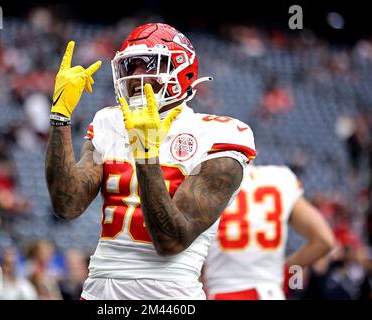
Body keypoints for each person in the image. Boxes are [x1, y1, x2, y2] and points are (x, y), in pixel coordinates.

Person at [45, 23, 256, 299]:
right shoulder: (109, 121)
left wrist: (145, 154)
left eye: (146, 65)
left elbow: (171, 240)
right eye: (129, 67)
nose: (134, 76)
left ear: (181, 70)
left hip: (166, 295)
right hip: (98, 291)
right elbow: (67, 204)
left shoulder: (219, 134)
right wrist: (60, 116)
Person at [203, 164, 335, 300]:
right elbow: (324, 240)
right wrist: (285, 270)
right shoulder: (280, 178)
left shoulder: (205, 181)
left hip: (223, 292)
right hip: (270, 293)